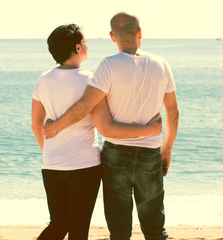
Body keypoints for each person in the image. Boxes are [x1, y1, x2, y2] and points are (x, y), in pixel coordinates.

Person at [43, 12, 179, 240]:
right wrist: (167, 150)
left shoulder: (108, 65)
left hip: (116, 156)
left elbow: (85, 105)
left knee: (119, 232)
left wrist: (54, 126)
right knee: (156, 229)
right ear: (140, 33)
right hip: (150, 153)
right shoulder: (161, 64)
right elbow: (173, 112)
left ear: (112, 36)